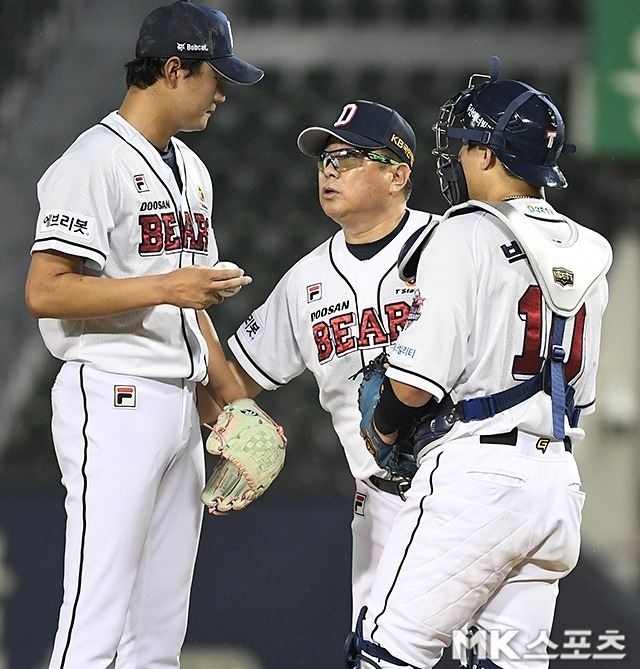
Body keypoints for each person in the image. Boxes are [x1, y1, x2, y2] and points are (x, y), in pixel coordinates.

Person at [345, 60, 612, 669]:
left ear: (489, 155)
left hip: (479, 480)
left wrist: (382, 428)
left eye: (467, 145)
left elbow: (415, 383)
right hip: (558, 489)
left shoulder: (463, 232)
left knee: (383, 653)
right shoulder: (591, 250)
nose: (460, 157)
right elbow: (582, 398)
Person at [24, 2, 264, 667]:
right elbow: (45, 291)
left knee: (158, 635)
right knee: (95, 618)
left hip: (179, 405)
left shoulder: (193, 169)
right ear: (172, 68)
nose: (222, 90)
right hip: (112, 394)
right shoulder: (93, 160)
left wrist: (234, 399)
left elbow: (196, 305)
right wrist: (166, 287)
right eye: (214, 75)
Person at [217, 100, 440, 625]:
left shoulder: (451, 244)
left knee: (491, 654)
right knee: (374, 652)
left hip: (465, 482)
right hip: (380, 498)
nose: (330, 169)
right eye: (325, 159)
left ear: (398, 174)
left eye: (351, 156)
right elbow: (232, 381)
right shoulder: (304, 281)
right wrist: (219, 420)